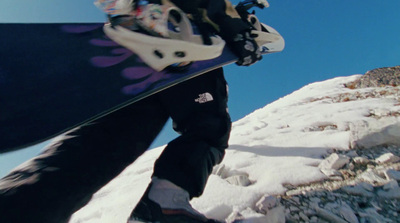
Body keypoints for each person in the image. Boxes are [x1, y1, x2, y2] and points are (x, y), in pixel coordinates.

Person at [0, 0, 262, 222]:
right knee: (207, 124)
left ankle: (18, 205)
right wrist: (232, 25)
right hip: (183, 36)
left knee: (115, 136)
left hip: (152, 38)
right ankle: (163, 205)